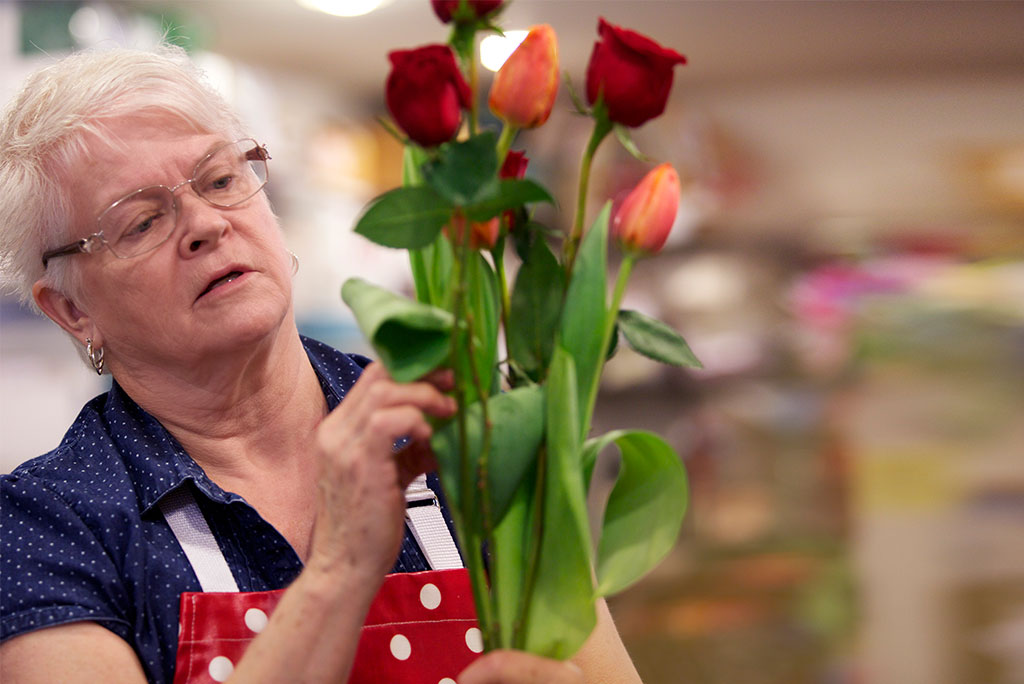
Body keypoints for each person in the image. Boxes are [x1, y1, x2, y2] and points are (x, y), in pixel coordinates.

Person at [0, 45, 643, 684]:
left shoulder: (456, 426)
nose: (205, 224)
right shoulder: (46, 528)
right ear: (70, 311)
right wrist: (338, 569)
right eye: (140, 223)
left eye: (221, 180)